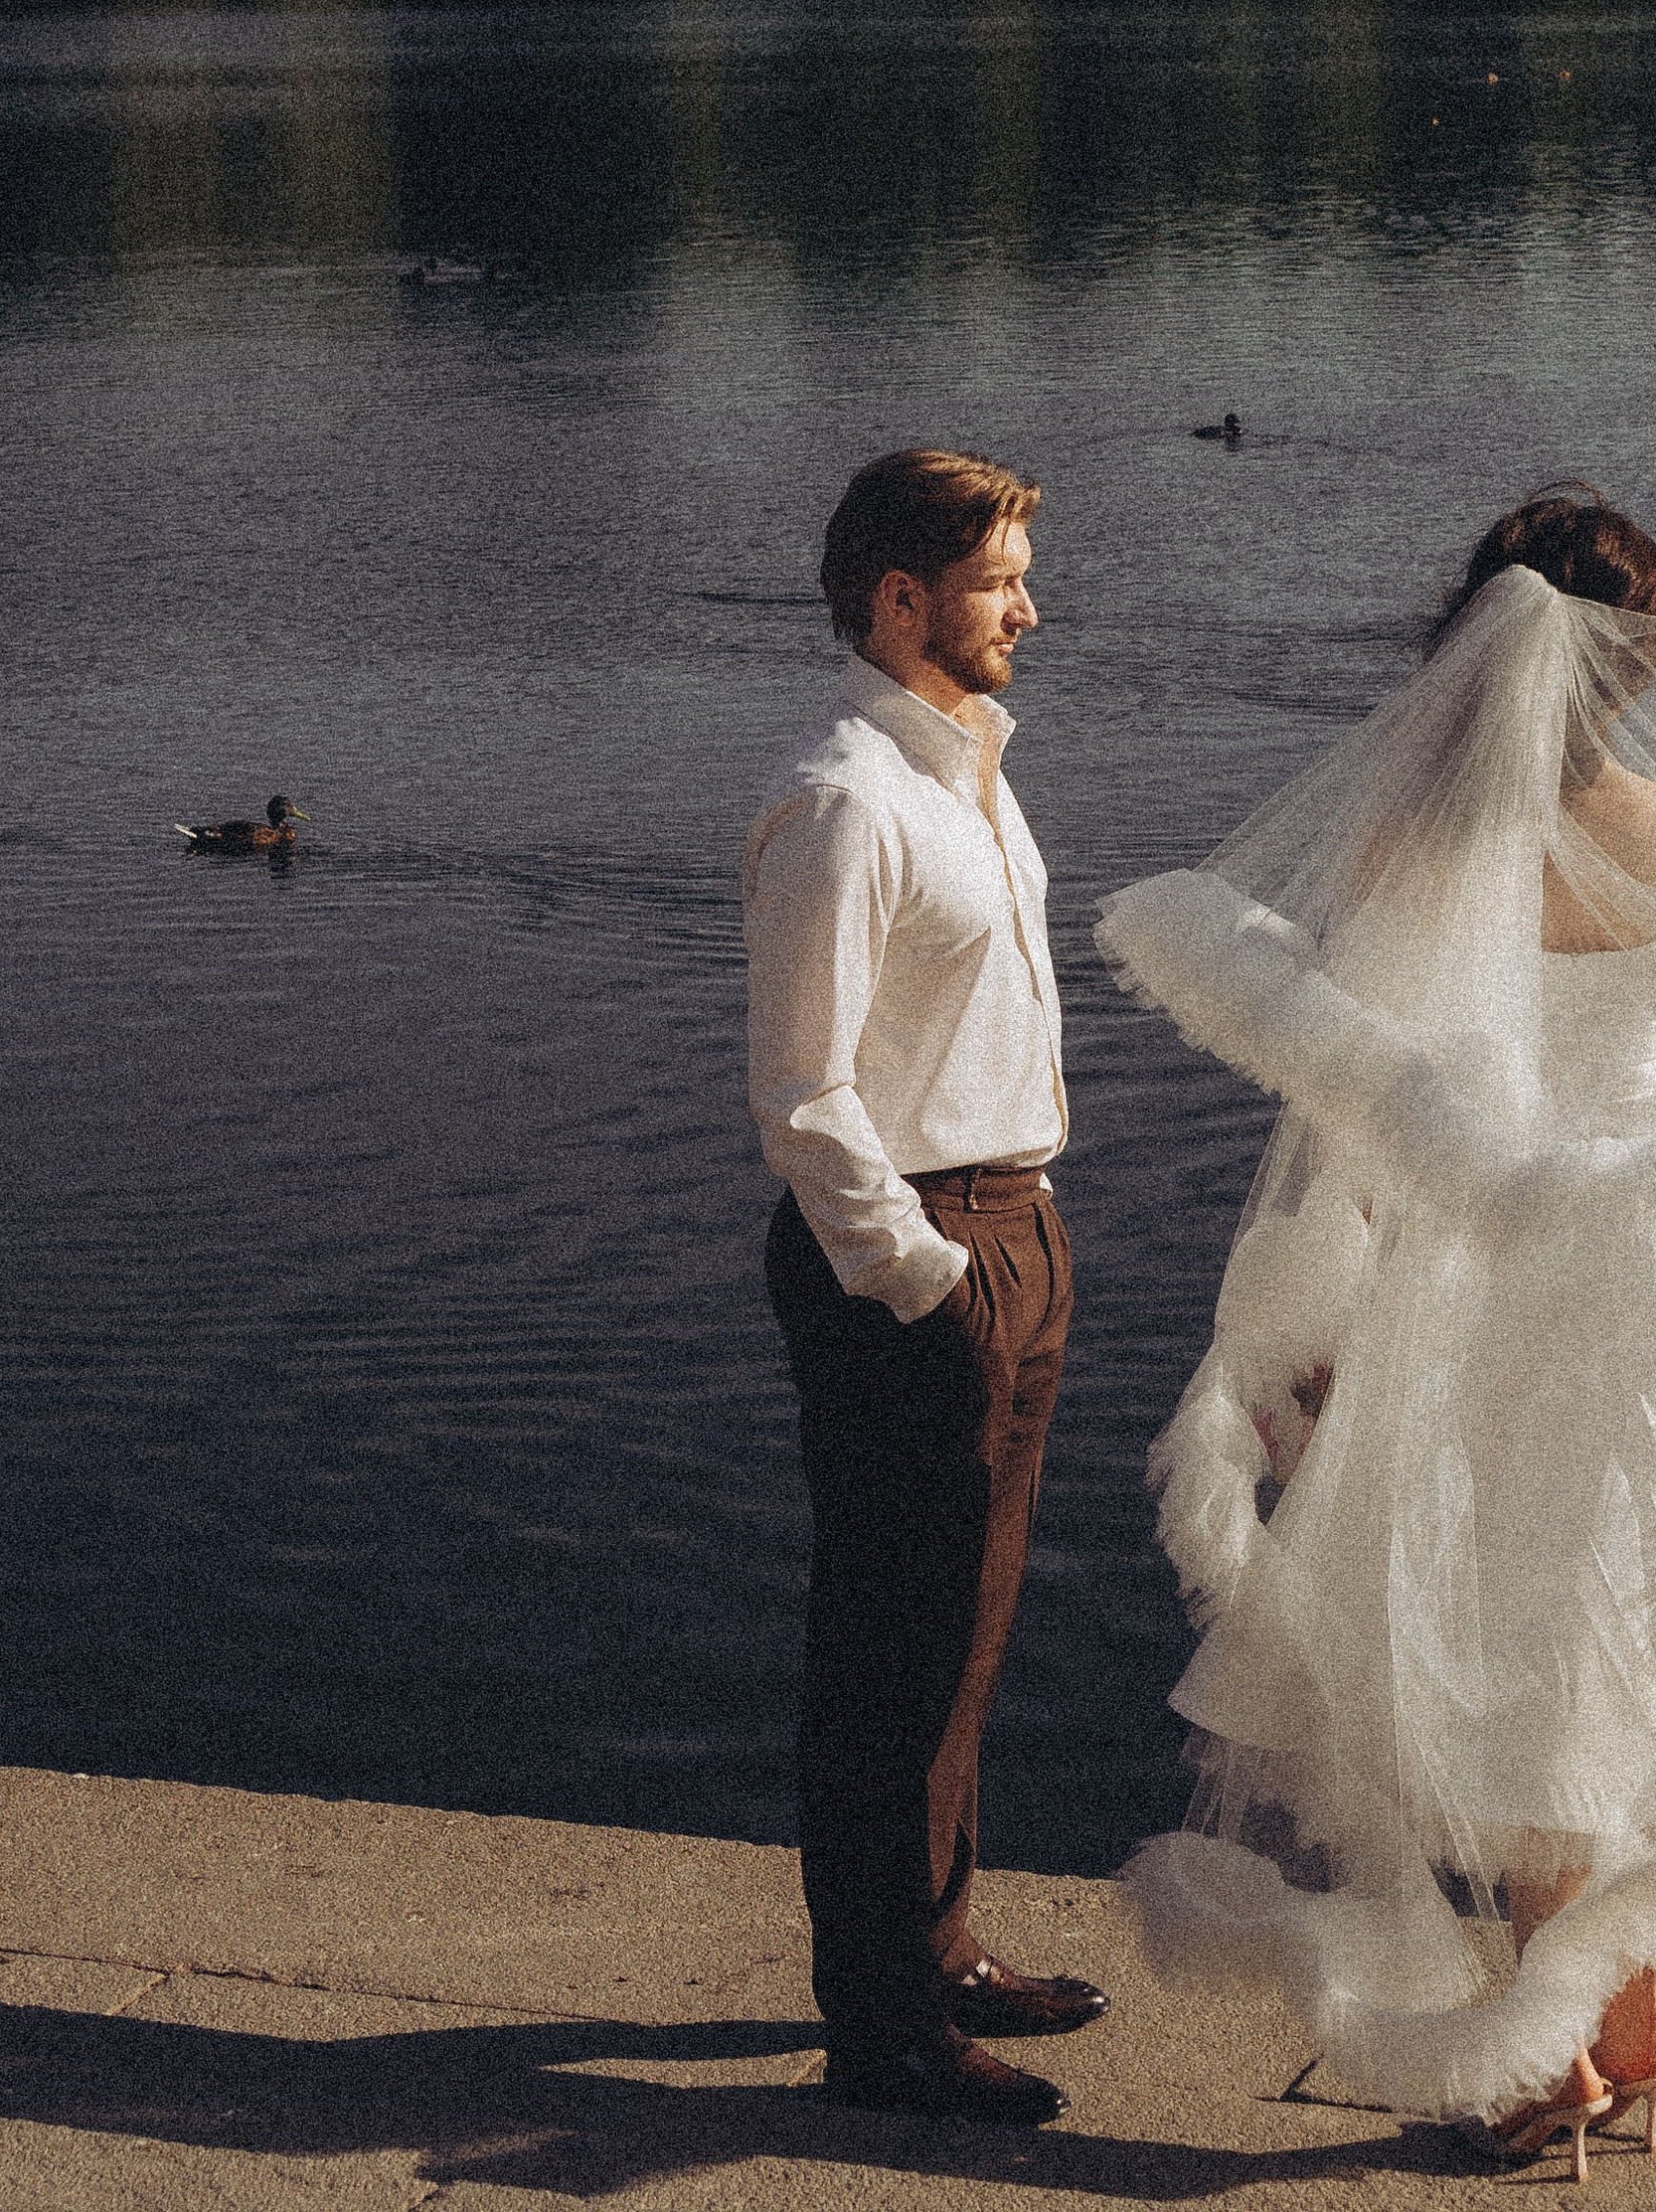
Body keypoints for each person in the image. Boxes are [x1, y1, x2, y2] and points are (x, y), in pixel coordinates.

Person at [1099, 487, 1656, 2177]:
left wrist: (1306, 1329)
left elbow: (1359, 1108)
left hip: (1488, 1263)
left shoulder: (1416, 843)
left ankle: (1570, 2052)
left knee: (1512, 1629)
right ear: (1641, 665)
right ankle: (1625, 2027)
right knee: (1650, 1617)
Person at [745, 447, 1105, 2125]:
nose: (1030, 606)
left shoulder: (968, 771)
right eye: (1000, 580)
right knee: (888, 1649)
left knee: (967, 1631)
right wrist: (929, 1282)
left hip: (1012, 1223)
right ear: (903, 600)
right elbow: (807, 1100)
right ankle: (878, 2027)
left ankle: (939, 1953)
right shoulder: (844, 801)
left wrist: (1005, 1258)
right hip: (913, 1254)